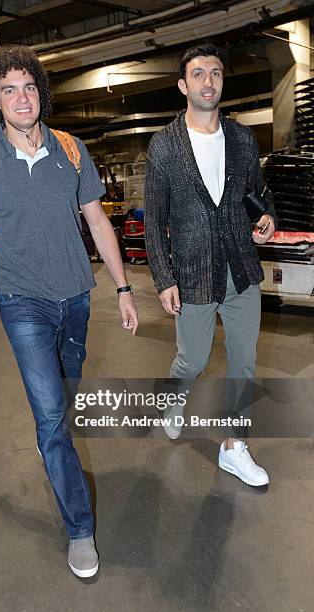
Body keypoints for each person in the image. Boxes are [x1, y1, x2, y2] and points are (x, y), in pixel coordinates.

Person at [0, 45, 138, 578]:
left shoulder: (72, 150)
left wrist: (123, 288)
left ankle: (51, 440)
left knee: (64, 396)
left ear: (41, 93)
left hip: (76, 297)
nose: (21, 97)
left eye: (28, 86)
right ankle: (80, 529)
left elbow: (99, 222)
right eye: (8, 89)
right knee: (52, 417)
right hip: (21, 302)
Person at [144, 43, 276, 487]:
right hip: (193, 274)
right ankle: (174, 399)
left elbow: (260, 191)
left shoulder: (241, 139)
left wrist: (268, 217)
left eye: (216, 73)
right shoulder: (164, 146)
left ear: (222, 82)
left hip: (241, 269)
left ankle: (234, 447)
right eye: (198, 74)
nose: (208, 81)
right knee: (193, 359)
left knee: (244, 362)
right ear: (184, 86)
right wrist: (164, 279)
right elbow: (154, 220)